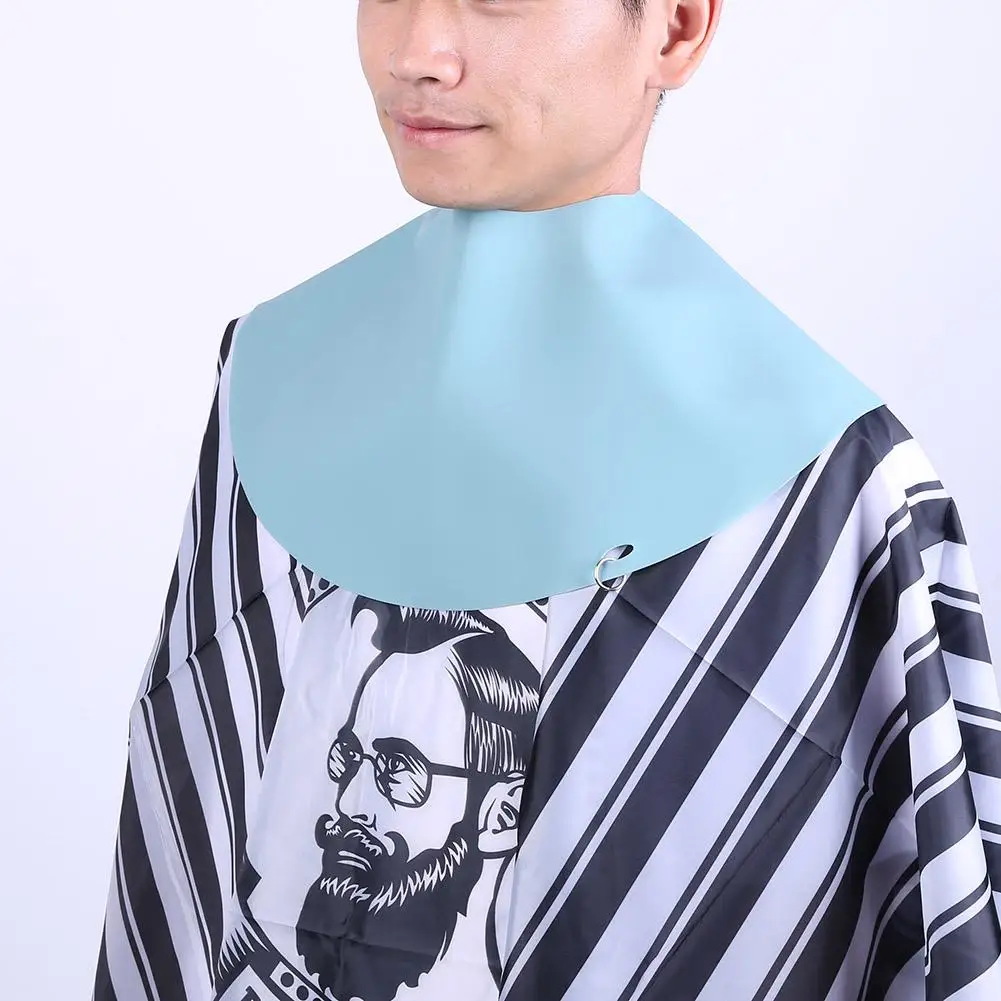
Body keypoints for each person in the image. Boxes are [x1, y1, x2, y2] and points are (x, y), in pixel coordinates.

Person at [93, 2, 1001, 1000]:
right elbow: (192, 846)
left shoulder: (833, 497)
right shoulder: (268, 380)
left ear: (675, 29)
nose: (414, 53)